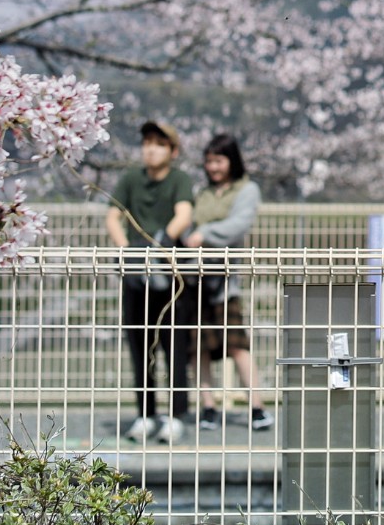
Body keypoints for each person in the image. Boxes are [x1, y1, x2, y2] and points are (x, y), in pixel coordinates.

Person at [104, 120, 197, 444]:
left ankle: (175, 415)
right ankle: (145, 414)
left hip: (171, 276)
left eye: (159, 143)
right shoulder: (131, 179)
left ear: (172, 150)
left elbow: (183, 213)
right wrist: (127, 250)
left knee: (175, 346)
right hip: (135, 274)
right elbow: (113, 216)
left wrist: (162, 242)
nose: (150, 149)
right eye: (146, 143)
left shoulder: (179, 180)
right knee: (139, 346)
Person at [182, 133, 274, 432]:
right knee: (199, 347)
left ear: (231, 161)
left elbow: (239, 224)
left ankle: (257, 406)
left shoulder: (247, 190)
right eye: (208, 161)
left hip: (225, 280)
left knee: (237, 345)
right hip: (196, 277)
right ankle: (208, 406)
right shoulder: (202, 192)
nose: (213, 167)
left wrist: (205, 233)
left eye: (218, 161)